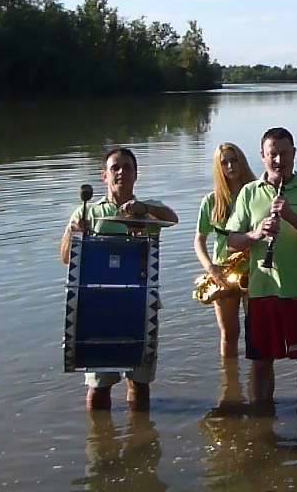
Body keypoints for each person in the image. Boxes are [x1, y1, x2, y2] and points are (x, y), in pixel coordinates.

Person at [59, 147, 179, 411]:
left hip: (140, 304)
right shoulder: (86, 212)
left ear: (136, 175)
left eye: (127, 167)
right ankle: (100, 444)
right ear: (104, 176)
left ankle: (141, 438)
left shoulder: (149, 211)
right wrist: (75, 234)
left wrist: (143, 209)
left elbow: (173, 218)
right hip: (99, 308)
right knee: (98, 386)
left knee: (139, 382)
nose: (121, 172)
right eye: (115, 168)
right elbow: (66, 257)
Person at [225, 127, 297, 404]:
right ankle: (262, 419)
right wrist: (256, 234)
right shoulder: (249, 193)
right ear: (262, 156)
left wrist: (291, 217)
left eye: (284, 153)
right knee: (261, 362)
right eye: (273, 154)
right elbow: (232, 241)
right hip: (262, 291)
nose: (278, 160)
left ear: (294, 154)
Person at [194, 143, 257, 358]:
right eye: (224, 162)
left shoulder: (257, 193)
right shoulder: (211, 201)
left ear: (242, 161)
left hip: (255, 271)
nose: (230, 166)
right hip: (224, 273)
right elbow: (199, 240)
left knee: (257, 333)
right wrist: (210, 267)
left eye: (234, 159)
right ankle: (230, 386)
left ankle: (255, 385)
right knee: (229, 334)